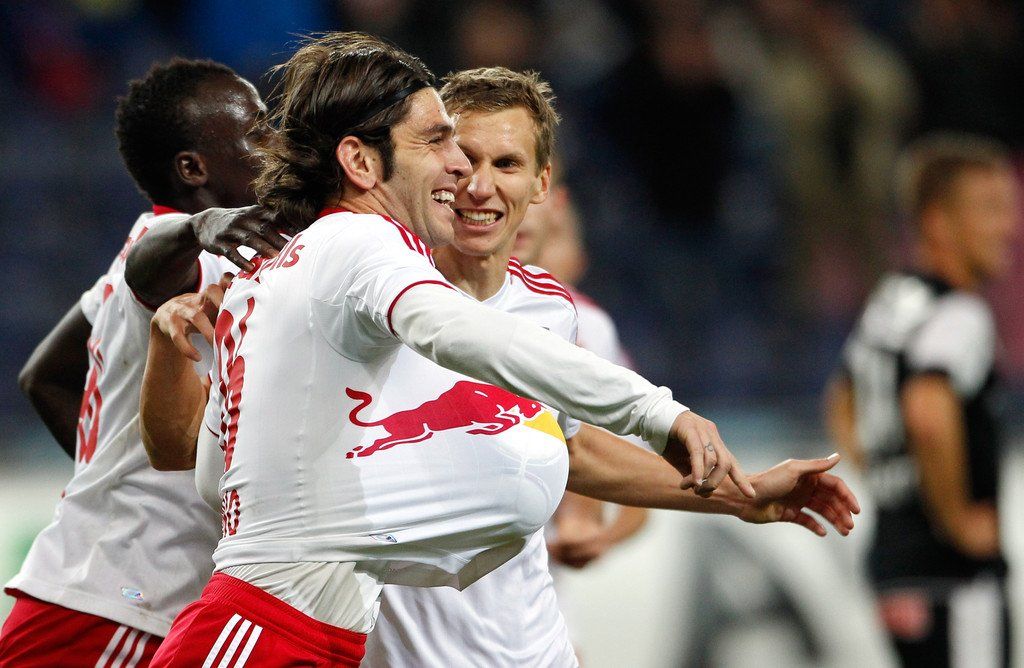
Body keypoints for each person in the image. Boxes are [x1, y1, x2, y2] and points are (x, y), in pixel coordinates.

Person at [140, 53, 858, 666]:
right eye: (446, 147)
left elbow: (569, 449)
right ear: (366, 162)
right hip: (291, 628)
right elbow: (458, 335)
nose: (469, 177)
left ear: (543, 186)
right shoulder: (364, 261)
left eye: (503, 163)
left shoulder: (545, 311)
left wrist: (741, 494)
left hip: (437, 639)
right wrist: (654, 410)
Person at [0, 58, 282, 667]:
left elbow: (44, 376)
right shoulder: (185, 250)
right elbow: (151, 271)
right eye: (257, 130)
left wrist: (116, 482)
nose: (276, 141)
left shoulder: (150, 248)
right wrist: (200, 227)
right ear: (193, 169)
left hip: (104, 593)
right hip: (121, 601)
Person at [825, 133, 1018, 667]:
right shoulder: (961, 314)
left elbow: (841, 398)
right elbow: (928, 413)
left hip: (894, 562)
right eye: (989, 209)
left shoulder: (892, 301)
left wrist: (886, 475)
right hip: (952, 574)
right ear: (937, 223)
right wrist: (957, 519)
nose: (1008, 227)